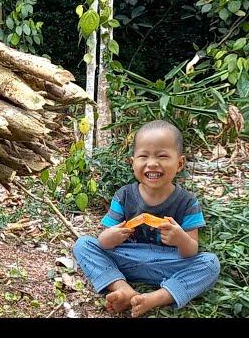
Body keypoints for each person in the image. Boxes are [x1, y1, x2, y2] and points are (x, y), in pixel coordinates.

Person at [73, 120, 220, 317]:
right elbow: (103, 241)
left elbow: (191, 251)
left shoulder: (187, 202)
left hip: (168, 263)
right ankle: (122, 288)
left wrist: (180, 239)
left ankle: (154, 298)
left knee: (210, 263)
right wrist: (112, 237)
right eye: (143, 156)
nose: (152, 163)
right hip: (126, 258)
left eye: (162, 156)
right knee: (83, 244)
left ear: (180, 163)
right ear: (132, 162)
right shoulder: (124, 195)